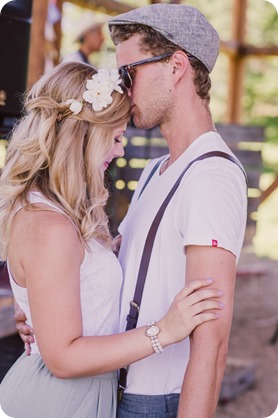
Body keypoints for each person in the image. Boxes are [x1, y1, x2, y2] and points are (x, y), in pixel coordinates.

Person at [0, 61, 224, 418]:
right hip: (60, 400)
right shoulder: (51, 226)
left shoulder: (58, 214)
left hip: (83, 393)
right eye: (117, 137)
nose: (120, 151)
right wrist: (164, 331)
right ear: (84, 135)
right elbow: (64, 359)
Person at [107, 4, 248, 418]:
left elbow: (212, 340)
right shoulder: (156, 170)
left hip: (156, 402)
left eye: (128, 73)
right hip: (117, 390)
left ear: (176, 66)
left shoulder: (211, 176)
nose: (122, 89)